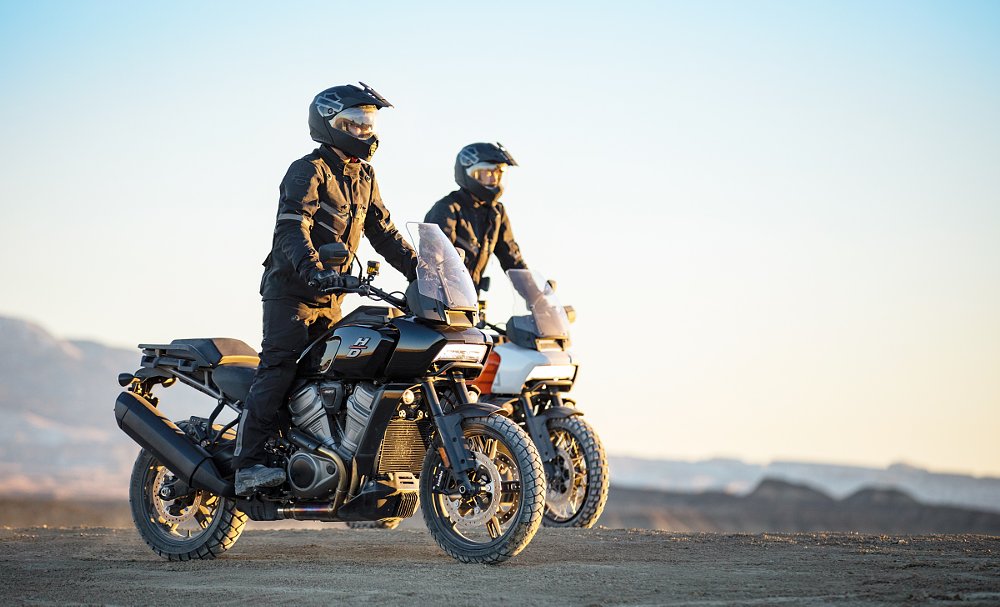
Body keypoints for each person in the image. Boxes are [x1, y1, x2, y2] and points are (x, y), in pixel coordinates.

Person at [233, 83, 417, 496]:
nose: (365, 130)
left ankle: (334, 459)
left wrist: (422, 272)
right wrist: (313, 270)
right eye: (355, 122)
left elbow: (384, 233)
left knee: (338, 374)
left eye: (369, 122)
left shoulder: (364, 176)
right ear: (329, 124)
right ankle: (248, 464)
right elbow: (291, 227)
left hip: (332, 296)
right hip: (292, 293)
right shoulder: (308, 169)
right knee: (280, 368)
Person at [424, 142, 528, 292]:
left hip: (469, 303)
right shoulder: (447, 208)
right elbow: (434, 262)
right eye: (489, 172)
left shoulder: (497, 213)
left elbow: (513, 261)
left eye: (499, 173)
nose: (494, 179)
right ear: (471, 173)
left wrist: (538, 296)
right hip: (436, 301)